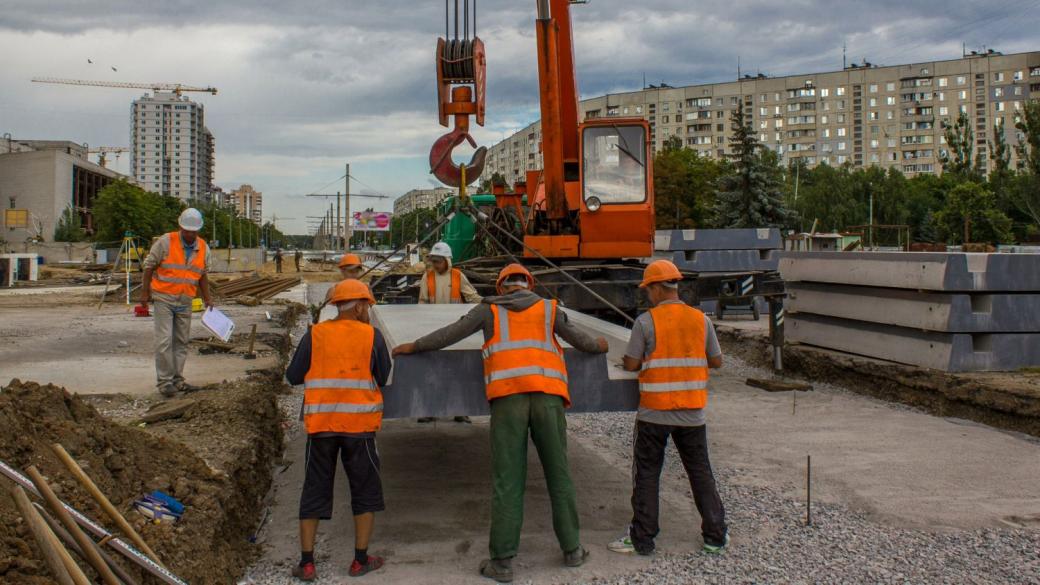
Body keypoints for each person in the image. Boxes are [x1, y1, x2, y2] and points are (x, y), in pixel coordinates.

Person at [393, 264, 608, 583]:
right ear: (528, 284)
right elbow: (583, 341)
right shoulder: (550, 309)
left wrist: (414, 346)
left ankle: (503, 562)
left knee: (508, 480)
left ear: (502, 287)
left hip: (509, 400)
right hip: (548, 398)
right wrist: (600, 345)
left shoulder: (489, 310)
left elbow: (449, 334)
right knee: (559, 474)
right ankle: (573, 549)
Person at [607, 259, 728, 557]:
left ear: (659, 288)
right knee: (700, 473)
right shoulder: (701, 320)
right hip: (691, 413)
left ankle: (643, 539)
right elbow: (716, 360)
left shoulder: (646, 322)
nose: (647, 294)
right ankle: (715, 536)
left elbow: (632, 363)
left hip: (654, 413)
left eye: (648, 289)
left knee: (647, 474)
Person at [284, 279, 391, 580]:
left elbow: (293, 376)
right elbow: (382, 376)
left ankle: (306, 563)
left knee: (314, 490)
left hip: (322, 427)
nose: (369, 310)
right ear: (358, 306)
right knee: (364, 492)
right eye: (367, 305)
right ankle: (360, 560)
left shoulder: (314, 335)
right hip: (359, 428)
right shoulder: (373, 336)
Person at [140, 208, 213, 398]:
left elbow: (203, 275)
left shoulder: (203, 247)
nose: (189, 234)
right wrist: (145, 292)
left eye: (193, 231)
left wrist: (207, 298)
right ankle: (164, 382)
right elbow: (148, 267)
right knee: (164, 340)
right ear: (180, 226)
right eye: (186, 230)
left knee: (181, 341)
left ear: (198, 230)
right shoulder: (165, 241)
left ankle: (177, 379)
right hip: (164, 298)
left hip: (185, 300)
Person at [417, 241, 481, 423]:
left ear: (447, 260)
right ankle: (430, 409)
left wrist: (487, 302)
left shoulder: (458, 276)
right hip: (434, 330)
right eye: (433, 261)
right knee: (432, 371)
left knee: (458, 372)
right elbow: (421, 303)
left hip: (456, 331)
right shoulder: (427, 277)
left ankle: (460, 410)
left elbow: (472, 296)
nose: (435, 264)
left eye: (438, 261)